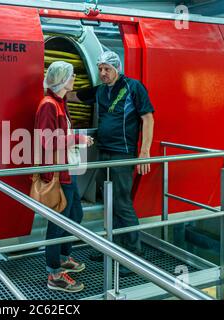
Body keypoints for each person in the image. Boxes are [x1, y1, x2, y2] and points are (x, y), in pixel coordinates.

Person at [68, 50, 155, 274]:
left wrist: (144, 152)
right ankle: (114, 246)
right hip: (104, 152)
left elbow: (148, 118)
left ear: (117, 68)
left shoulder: (133, 88)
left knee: (122, 201)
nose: (103, 73)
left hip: (123, 153)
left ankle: (134, 255)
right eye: (100, 69)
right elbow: (74, 95)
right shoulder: (100, 91)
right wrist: (53, 88)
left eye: (107, 69)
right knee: (109, 201)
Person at [35, 61, 94, 293]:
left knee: (75, 215)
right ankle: (54, 274)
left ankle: (63, 256)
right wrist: (78, 140)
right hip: (58, 174)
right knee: (58, 223)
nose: (74, 80)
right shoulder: (48, 105)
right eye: (70, 76)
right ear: (60, 79)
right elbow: (47, 142)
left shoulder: (60, 102)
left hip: (69, 170)